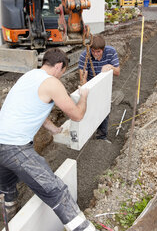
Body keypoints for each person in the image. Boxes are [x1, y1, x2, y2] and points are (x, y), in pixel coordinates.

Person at [0, 48, 96, 231]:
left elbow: (30, 105)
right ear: (59, 66)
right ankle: (84, 228)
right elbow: (76, 115)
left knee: (6, 188)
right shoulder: (51, 82)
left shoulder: (29, 76)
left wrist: (53, 128)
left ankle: (10, 221)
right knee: (56, 191)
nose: (61, 76)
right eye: (63, 72)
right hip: (14, 147)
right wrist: (83, 95)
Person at [78, 34, 120, 143]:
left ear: (103, 49)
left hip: (105, 84)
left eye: (98, 52)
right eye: (93, 51)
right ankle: (86, 134)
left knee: (104, 109)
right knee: (89, 109)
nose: (95, 54)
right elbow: (83, 79)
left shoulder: (111, 52)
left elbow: (117, 72)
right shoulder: (85, 56)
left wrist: (110, 67)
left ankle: (101, 136)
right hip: (91, 84)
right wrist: (89, 93)